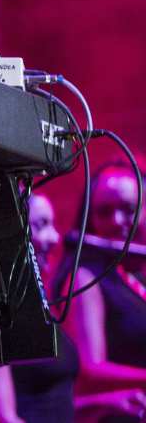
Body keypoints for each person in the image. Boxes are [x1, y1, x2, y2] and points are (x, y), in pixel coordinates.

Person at [61, 160, 146, 422]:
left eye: (128, 210)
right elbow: (90, 369)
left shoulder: (138, 275)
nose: (117, 221)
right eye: (104, 211)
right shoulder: (86, 278)